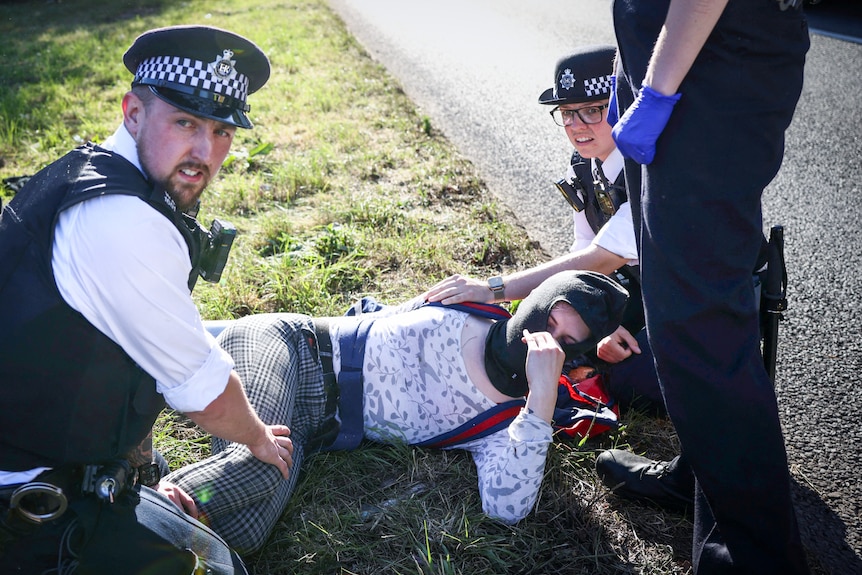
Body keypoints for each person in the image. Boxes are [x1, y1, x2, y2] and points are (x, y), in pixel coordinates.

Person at [0, 26, 294, 574]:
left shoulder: (90, 169)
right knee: (210, 561)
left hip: (39, 440)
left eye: (221, 130)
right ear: (133, 111)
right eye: (185, 122)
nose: (204, 153)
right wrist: (257, 438)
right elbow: (204, 395)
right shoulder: (122, 223)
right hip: (25, 498)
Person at [162, 271, 628, 554]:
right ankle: (112, 512)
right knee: (258, 470)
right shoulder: (468, 302)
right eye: (548, 320)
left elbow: (506, 509)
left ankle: (144, 503)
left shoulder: (504, 424)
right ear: (532, 303)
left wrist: (542, 402)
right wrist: (183, 343)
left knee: (245, 531)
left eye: (566, 342)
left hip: (309, 429)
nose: (546, 340)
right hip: (293, 349)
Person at [601, 0, 810, 572]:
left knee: (701, 326)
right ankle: (703, 478)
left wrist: (659, 88)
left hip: (710, 57)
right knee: (677, 310)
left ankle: (754, 560)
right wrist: (636, 67)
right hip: (676, 55)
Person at [425, 45, 663, 414]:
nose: (576, 125)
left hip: (687, 297)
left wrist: (494, 290)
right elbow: (583, 251)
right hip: (638, 288)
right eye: (567, 113)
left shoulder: (647, 170)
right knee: (541, 341)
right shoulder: (586, 166)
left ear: (623, 107)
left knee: (640, 385)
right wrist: (598, 320)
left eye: (592, 110)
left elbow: (597, 260)